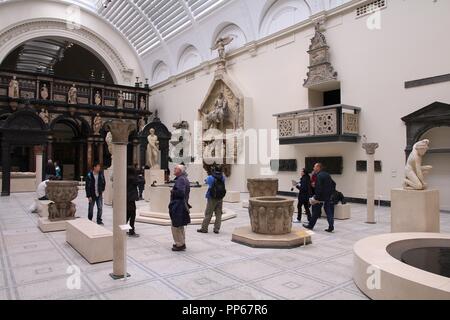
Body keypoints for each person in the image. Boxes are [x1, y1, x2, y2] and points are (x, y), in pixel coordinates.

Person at [303, 163, 336, 233]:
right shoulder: (327, 174)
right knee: (328, 211)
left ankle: (310, 225)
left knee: (315, 212)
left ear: (318, 167)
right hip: (327, 196)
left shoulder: (319, 176)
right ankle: (331, 226)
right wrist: (330, 193)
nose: (313, 168)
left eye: (314, 167)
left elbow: (319, 188)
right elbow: (334, 184)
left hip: (320, 197)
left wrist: (316, 198)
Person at [198, 166, 226, 234]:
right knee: (219, 214)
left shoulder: (210, 177)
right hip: (220, 197)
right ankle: (216, 229)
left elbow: (205, 182)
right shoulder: (223, 177)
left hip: (211, 197)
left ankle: (204, 228)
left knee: (208, 213)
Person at [169, 165, 191, 252]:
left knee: (176, 226)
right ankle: (181, 242)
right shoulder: (184, 178)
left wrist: (172, 191)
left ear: (180, 171)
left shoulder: (181, 179)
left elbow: (181, 193)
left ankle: (179, 244)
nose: (174, 169)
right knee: (180, 225)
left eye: (176, 168)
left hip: (178, 205)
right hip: (181, 205)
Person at [126, 166, 140, 237]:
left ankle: (123, 228)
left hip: (127, 198)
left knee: (128, 214)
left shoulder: (126, 177)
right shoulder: (132, 178)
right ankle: (131, 231)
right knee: (132, 215)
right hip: (131, 199)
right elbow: (139, 182)